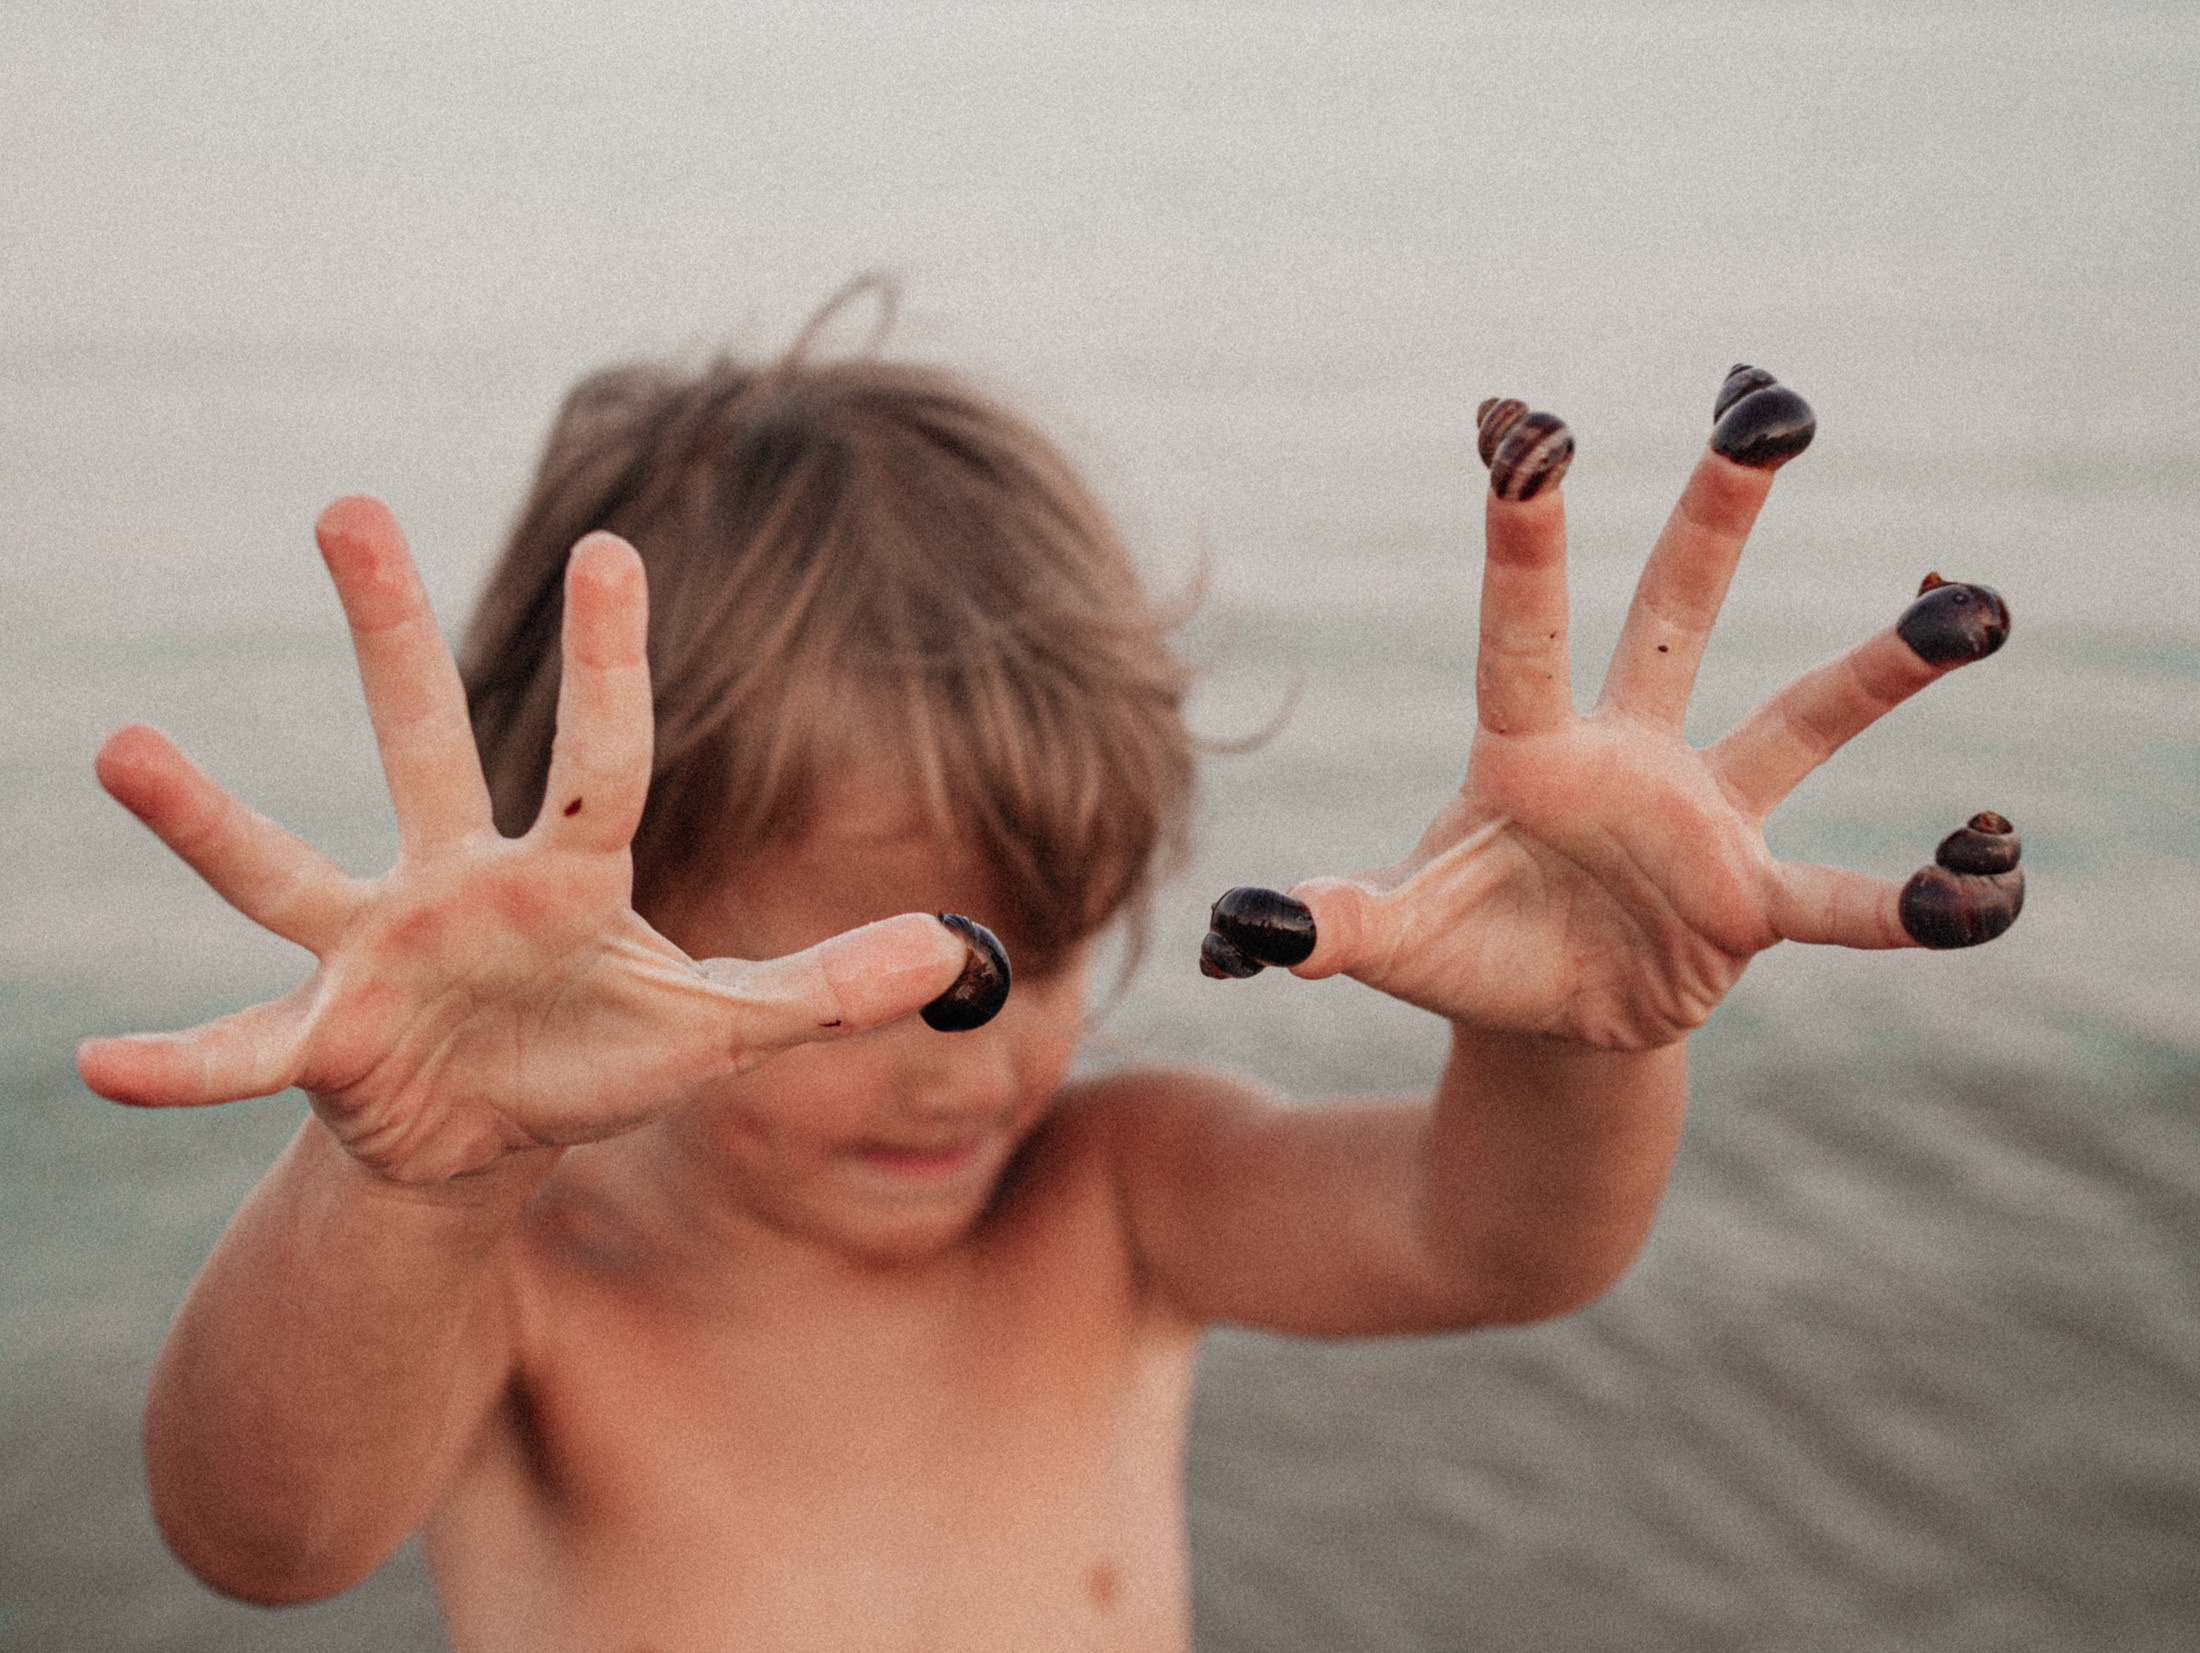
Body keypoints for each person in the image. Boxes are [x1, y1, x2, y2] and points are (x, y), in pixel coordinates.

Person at [75, 298, 2018, 1650]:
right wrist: (412, 1167)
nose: (968, 1066)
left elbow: (1496, 1240)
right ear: (589, 922)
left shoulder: (1111, 1199)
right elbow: (259, 1533)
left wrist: (1577, 1024)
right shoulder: (525, 1290)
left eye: (1041, 949)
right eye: (894, 982)